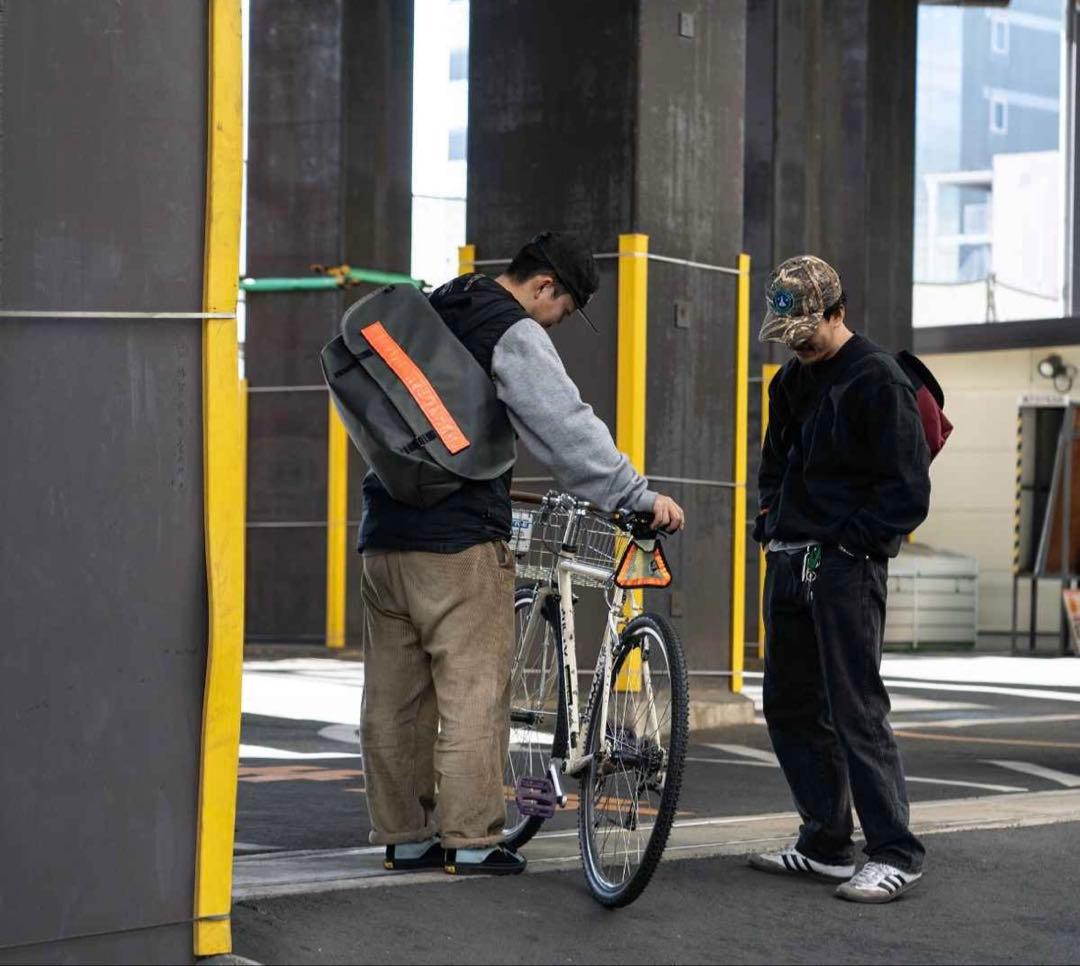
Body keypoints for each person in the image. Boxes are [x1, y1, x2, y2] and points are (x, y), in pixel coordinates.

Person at [359, 231, 685, 876]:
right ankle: (473, 839)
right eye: (563, 310)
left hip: (384, 536)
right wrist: (633, 494)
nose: (557, 324)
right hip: (457, 543)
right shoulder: (511, 331)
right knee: (473, 691)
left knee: (394, 698)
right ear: (545, 286)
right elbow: (564, 425)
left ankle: (406, 836)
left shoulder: (436, 307)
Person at [748, 254, 930, 903]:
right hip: (790, 557)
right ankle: (826, 842)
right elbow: (774, 466)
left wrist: (849, 545)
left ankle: (895, 853)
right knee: (790, 704)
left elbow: (907, 491)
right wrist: (770, 522)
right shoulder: (789, 383)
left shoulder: (878, 379)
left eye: (807, 331)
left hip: (845, 567)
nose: (798, 345)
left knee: (855, 708)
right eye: (788, 334)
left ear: (837, 312)